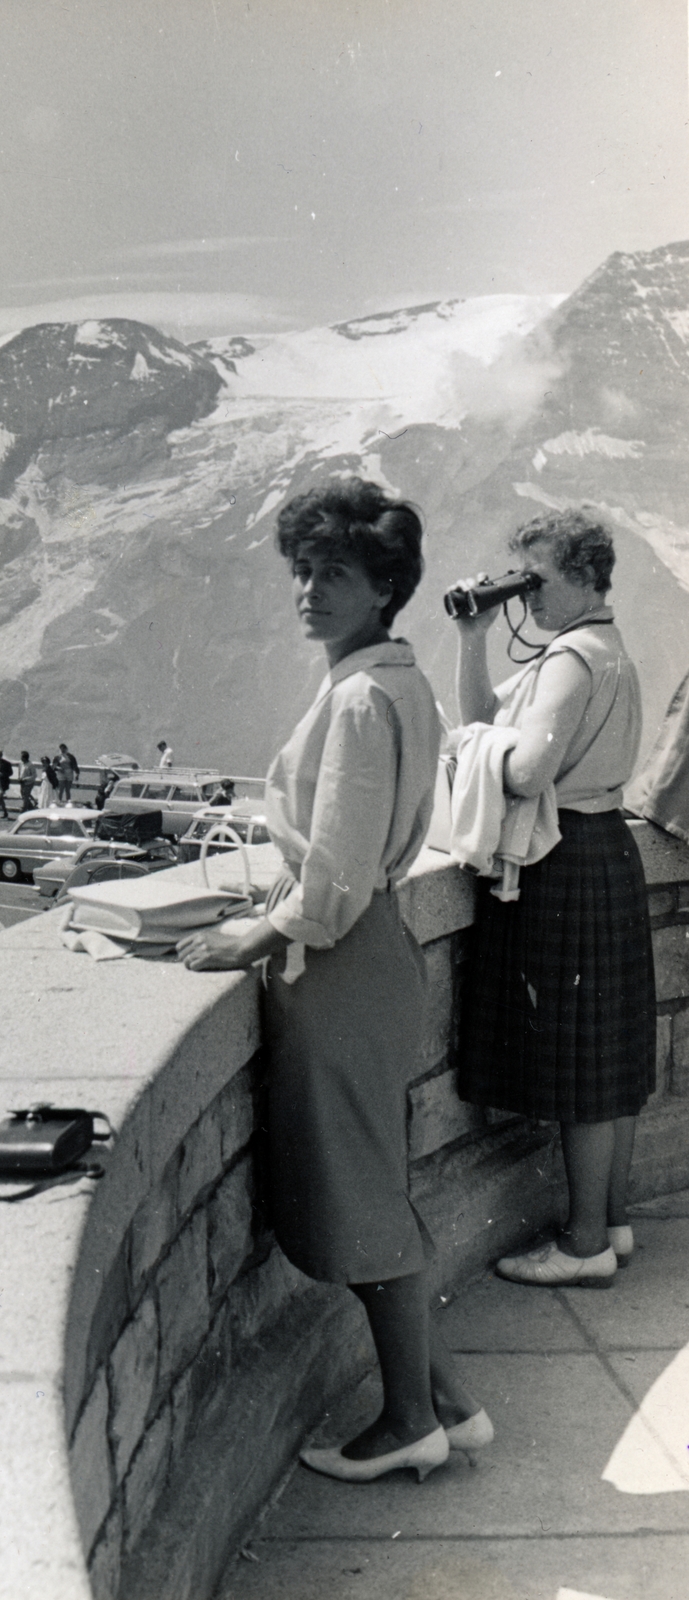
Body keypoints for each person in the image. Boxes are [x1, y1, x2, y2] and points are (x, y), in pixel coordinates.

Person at [177, 478, 486, 1484]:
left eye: (335, 573)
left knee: (361, 1196)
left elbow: (335, 884)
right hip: (378, 958)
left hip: (339, 964)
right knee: (377, 1182)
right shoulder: (398, 679)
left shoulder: (359, 699)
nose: (308, 590)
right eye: (304, 571)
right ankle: (447, 1399)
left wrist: (249, 936)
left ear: (383, 584)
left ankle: (408, 1424)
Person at [453, 507, 655, 1288]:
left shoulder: (570, 658)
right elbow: (483, 717)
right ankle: (612, 1221)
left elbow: (520, 772)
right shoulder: (603, 648)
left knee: (577, 1066)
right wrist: (472, 641)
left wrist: (475, 754)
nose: (525, 593)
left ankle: (581, 1246)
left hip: (564, 857)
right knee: (606, 1056)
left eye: (535, 578)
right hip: (605, 850)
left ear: (578, 573)